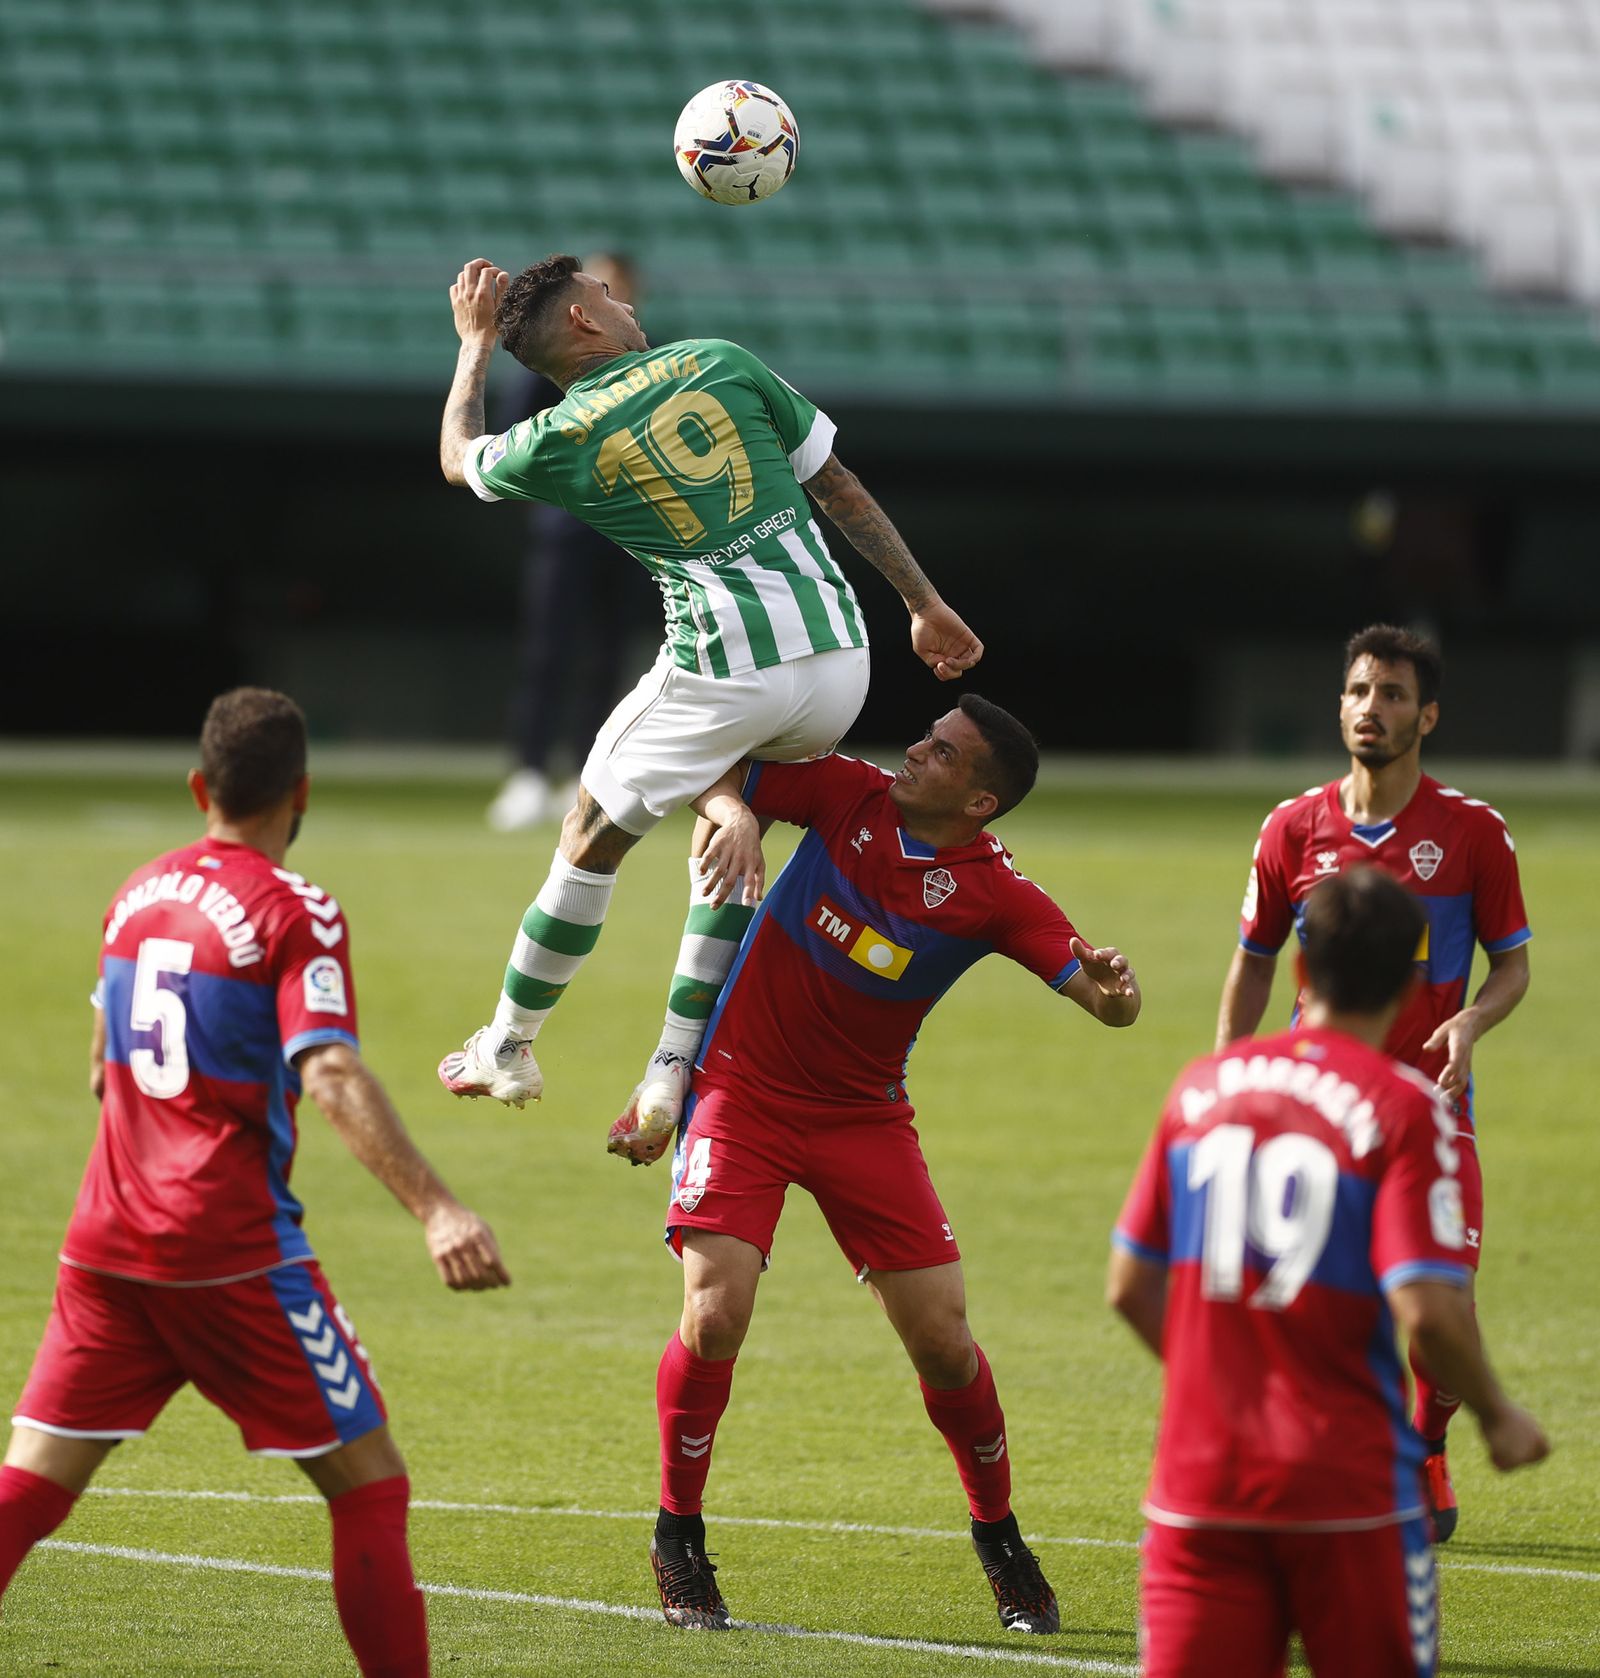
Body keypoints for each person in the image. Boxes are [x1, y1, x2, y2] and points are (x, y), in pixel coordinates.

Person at [0, 689, 509, 1677]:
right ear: (301, 791)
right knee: (370, 1488)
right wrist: (438, 1207)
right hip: (226, 1248)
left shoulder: (135, 893)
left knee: (31, 1483)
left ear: (200, 786)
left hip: (104, 1244)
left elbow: (105, 1064)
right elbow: (326, 1070)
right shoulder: (296, 909)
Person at [606, 695, 1142, 1633]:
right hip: (743, 1093)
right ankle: (677, 1536)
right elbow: (707, 765)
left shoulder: (992, 891)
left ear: (979, 801)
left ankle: (1000, 1539)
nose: (916, 749)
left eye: (941, 752)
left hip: (863, 1119)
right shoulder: (847, 793)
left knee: (943, 1339)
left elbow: (1102, 1003)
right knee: (715, 1312)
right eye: (927, 736)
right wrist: (732, 813)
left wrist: (1116, 999)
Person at [436, 254, 983, 1146]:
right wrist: (923, 604)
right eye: (605, 295)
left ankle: (509, 1042)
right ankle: (670, 1067)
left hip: (725, 664)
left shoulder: (558, 436)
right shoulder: (721, 359)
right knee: (730, 827)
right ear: (581, 321)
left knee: (587, 834)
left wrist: (469, 348)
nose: (622, 302)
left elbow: (461, 461)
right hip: (843, 661)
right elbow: (837, 486)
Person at [1111, 867, 1548, 1678]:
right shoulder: (1405, 1107)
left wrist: (1223, 1379)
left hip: (1199, 1483)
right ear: (1412, 979)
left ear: (1303, 971)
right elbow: (1430, 1310)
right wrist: (1496, 1415)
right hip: (1348, 1491)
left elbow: (1129, 1285)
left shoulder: (1203, 1089)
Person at [1213, 623, 1531, 1541]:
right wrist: (1230, 1076)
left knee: (1446, 1313)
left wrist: (1473, 1016)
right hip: (1312, 1113)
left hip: (1430, 1112)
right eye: (1359, 692)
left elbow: (1511, 963)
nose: (1371, 709)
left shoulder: (1472, 834)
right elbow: (1255, 962)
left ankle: (1422, 1444)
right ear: (1340, 705)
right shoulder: (1291, 828)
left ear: (1427, 716)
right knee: (1297, 1306)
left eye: (1393, 695)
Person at [485, 251, 660, 833]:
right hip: (565, 530)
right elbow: (510, 438)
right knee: (547, 652)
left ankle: (589, 774)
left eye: (618, 284)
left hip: (630, 531)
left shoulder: (649, 355)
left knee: (609, 656)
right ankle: (528, 774)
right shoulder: (546, 360)